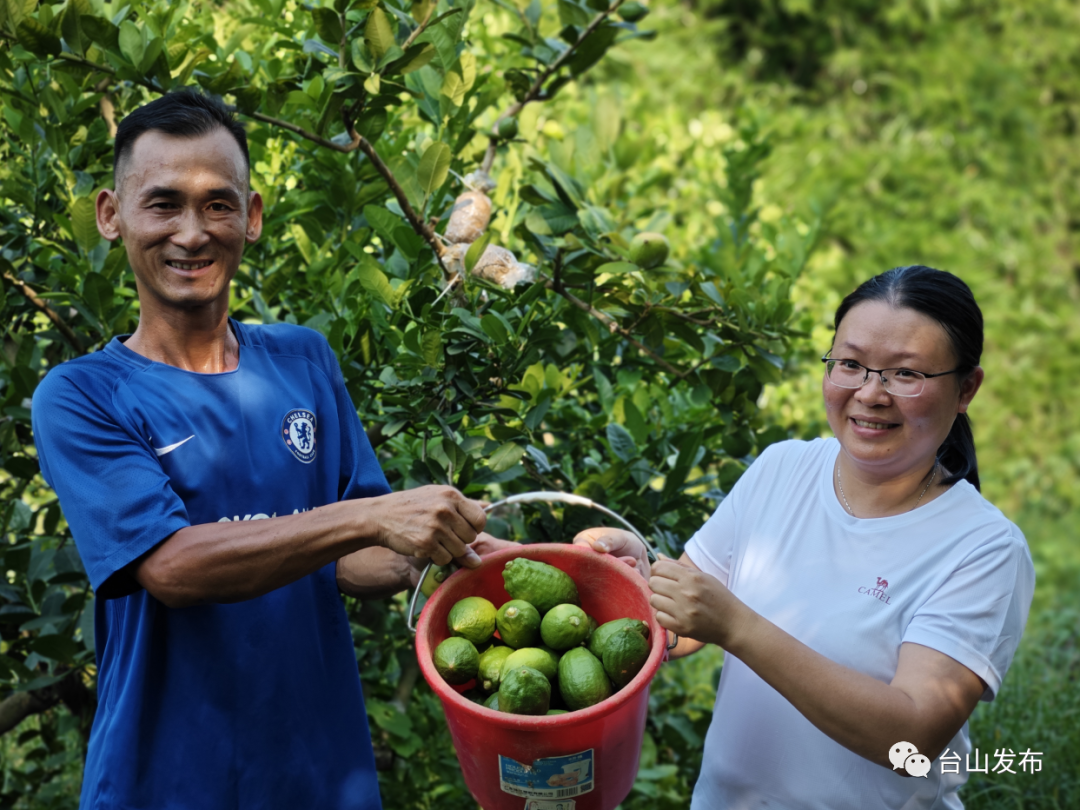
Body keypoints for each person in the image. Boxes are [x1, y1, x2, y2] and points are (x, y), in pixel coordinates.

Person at [31, 91, 492, 809]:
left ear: (251, 216)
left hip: (321, 778)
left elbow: (351, 553)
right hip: (163, 784)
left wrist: (434, 551)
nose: (192, 232)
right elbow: (171, 567)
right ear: (110, 214)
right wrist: (369, 519)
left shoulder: (302, 359)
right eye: (163, 204)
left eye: (218, 204)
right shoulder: (83, 396)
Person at [575, 266, 1035, 809]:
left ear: (966, 389)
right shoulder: (782, 467)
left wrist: (737, 626)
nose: (870, 393)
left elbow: (911, 738)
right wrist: (635, 578)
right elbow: (688, 620)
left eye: (905, 374)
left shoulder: (983, 547)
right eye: (850, 364)